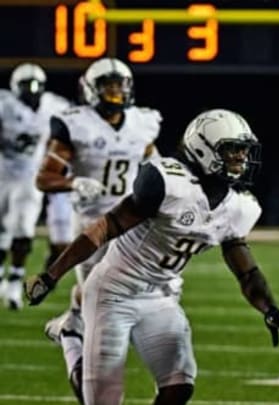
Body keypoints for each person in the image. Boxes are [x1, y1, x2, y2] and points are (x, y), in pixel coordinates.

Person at [25, 108, 279, 405]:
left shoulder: (239, 206)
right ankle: (70, 337)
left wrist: (269, 308)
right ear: (202, 147)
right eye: (231, 150)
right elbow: (104, 228)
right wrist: (51, 274)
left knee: (179, 385)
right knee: (102, 399)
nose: (241, 158)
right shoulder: (168, 182)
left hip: (161, 295)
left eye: (244, 151)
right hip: (113, 291)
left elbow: (245, 270)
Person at [34, 57, 161, 403]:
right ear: (92, 90)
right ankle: (75, 336)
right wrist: (73, 182)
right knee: (103, 315)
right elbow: (44, 177)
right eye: (108, 85)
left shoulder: (142, 122)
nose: (116, 92)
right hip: (91, 228)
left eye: (120, 85)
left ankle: (73, 323)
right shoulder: (76, 124)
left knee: (128, 300)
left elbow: (156, 168)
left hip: (132, 224)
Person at [0, 62, 70, 310]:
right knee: (2, 230)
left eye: (36, 85)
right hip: (2, 171)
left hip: (31, 175)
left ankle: (15, 279)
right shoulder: (4, 105)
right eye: (26, 85)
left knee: (24, 228)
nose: (31, 90)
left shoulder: (54, 105)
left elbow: (75, 126)